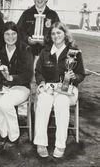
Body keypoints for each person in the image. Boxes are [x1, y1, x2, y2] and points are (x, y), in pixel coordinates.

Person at [33, 22, 85, 158]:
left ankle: (60, 144)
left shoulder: (74, 51)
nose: (56, 36)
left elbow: (81, 74)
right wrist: (42, 83)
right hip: (49, 88)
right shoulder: (45, 52)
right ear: (50, 36)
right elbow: (38, 72)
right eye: (53, 33)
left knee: (61, 103)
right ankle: (40, 142)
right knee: (43, 102)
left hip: (68, 90)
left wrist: (74, 77)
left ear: (65, 34)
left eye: (59, 33)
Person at [0, 21, 33, 149]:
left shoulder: (25, 49)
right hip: (3, 86)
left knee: (5, 102)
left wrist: (10, 77)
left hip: (21, 87)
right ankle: (3, 131)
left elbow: (27, 75)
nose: (10, 37)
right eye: (7, 34)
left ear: (18, 34)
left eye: (13, 33)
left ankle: (14, 136)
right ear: (3, 35)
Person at [16, 0, 60, 72]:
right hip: (29, 53)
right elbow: (19, 31)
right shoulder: (26, 14)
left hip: (47, 52)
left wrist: (46, 41)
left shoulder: (53, 15)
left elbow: (59, 33)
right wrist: (27, 39)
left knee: (45, 77)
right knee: (29, 77)